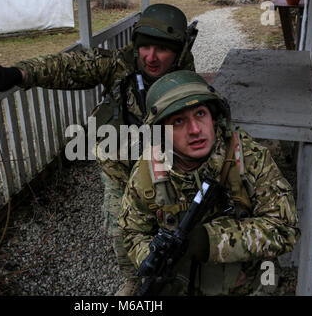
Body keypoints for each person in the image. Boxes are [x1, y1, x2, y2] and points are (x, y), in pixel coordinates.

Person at [0, 4, 197, 295]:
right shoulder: (119, 65)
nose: (150, 57)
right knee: (119, 231)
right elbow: (70, 66)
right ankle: (133, 280)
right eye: (145, 46)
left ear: (178, 50)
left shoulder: (189, 86)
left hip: (168, 172)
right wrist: (18, 74)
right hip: (121, 173)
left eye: (161, 49)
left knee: (174, 232)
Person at [118, 70, 301, 295]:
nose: (195, 130)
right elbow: (132, 233)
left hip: (247, 284)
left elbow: (285, 229)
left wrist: (209, 241)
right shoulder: (147, 174)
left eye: (200, 114)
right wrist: (155, 256)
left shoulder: (248, 158)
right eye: (178, 121)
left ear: (214, 117)